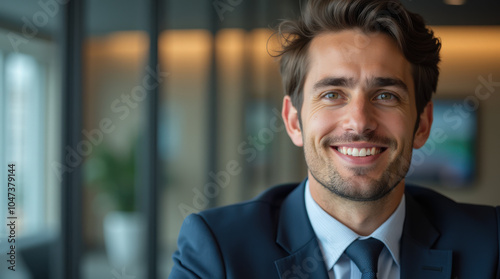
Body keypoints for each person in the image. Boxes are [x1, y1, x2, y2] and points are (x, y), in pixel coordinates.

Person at [169, 0, 500, 278]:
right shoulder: (218, 250)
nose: (359, 121)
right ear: (294, 120)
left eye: (385, 95)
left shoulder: (491, 244)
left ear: (423, 123)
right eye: (331, 94)